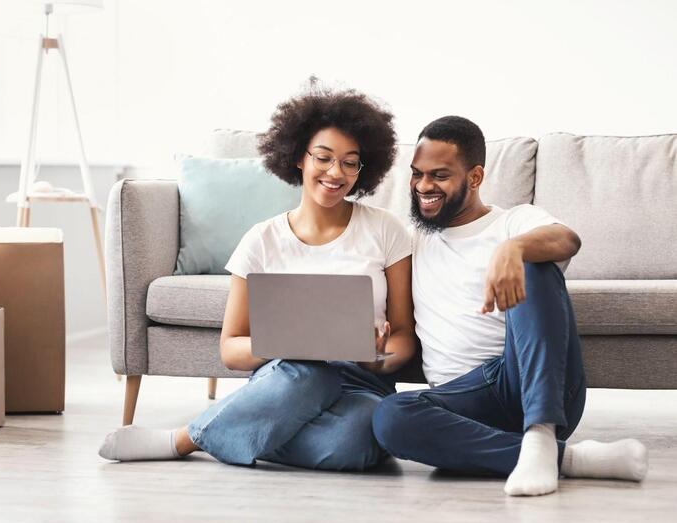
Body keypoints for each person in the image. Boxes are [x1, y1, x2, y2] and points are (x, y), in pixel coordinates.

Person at [98, 85, 417, 470]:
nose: (336, 173)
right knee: (312, 379)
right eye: (324, 158)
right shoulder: (261, 240)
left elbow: (403, 337)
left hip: (361, 385)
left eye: (351, 163)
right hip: (288, 380)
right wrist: (286, 343)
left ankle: (236, 430)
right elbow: (231, 348)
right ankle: (182, 440)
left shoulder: (387, 231)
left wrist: (375, 361)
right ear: (300, 157)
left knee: (359, 444)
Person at [371, 116, 648, 496]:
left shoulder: (513, 221)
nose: (423, 186)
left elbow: (566, 239)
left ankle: (541, 431)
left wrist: (512, 248)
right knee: (389, 417)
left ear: (475, 176)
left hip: (527, 380)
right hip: (461, 402)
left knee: (534, 264)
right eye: (416, 174)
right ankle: (568, 459)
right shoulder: (411, 238)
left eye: (438, 175)